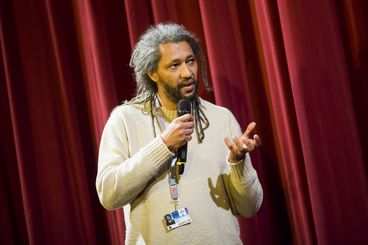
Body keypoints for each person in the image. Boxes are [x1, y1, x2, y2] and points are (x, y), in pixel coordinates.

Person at [96, 23, 263, 244]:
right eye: (174, 65)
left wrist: (237, 163)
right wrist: (163, 146)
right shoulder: (125, 119)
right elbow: (108, 194)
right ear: (152, 73)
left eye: (190, 61)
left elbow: (250, 207)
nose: (187, 73)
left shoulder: (221, 118)